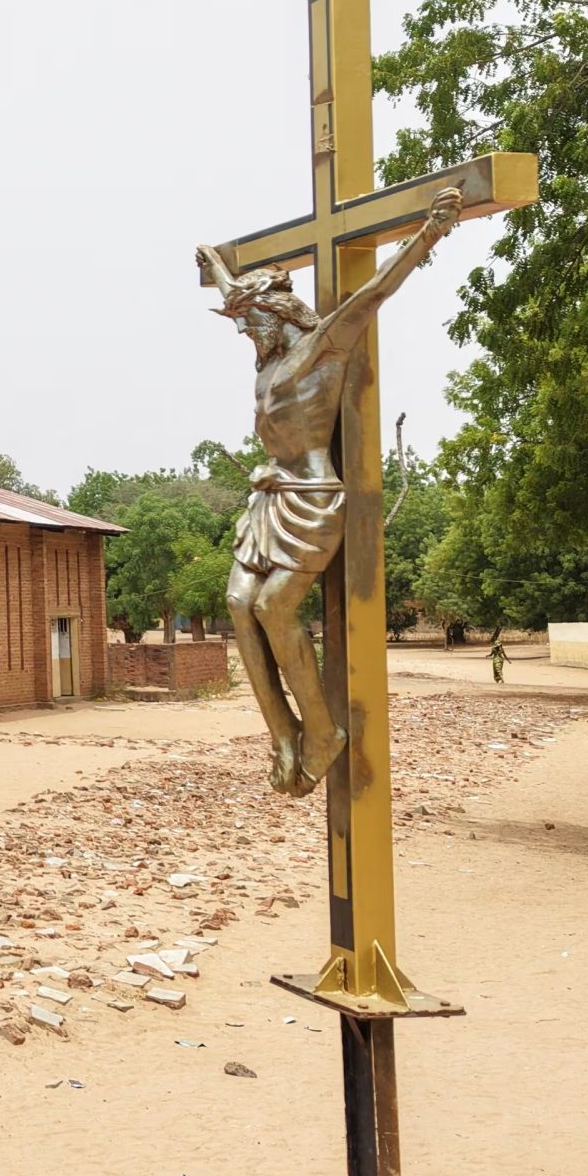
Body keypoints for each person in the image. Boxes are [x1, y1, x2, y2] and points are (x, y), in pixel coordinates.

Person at [198, 184, 466, 797]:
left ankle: (322, 732)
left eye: (253, 324)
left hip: (312, 496)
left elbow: (373, 293)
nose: (247, 336)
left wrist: (429, 231)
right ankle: (284, 734)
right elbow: (239, 293)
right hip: (267, 500)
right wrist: (213, 263)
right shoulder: (265, 366)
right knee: (239, 604)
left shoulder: (323, 347)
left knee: (273, 607)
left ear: (281, 316)